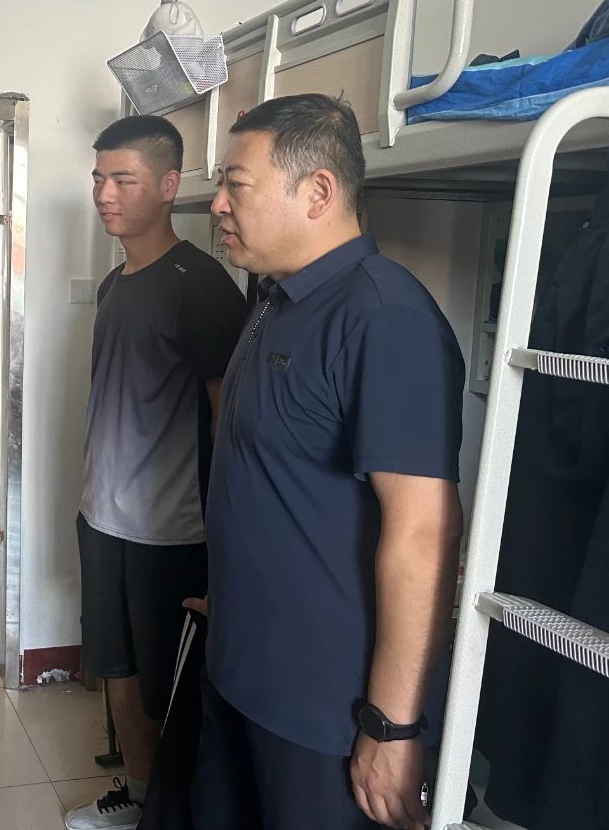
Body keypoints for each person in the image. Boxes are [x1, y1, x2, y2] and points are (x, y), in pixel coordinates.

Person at [194, 94, 465, 830]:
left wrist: (391, 726)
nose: (218, 205)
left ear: (317, 192)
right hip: (240, 670)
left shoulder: (385, 318)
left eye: (236, 185)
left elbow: (424, 532)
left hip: (324, 713)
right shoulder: (274, 299)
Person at [66, 116, 248, 830]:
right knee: (116, 664)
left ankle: (173, 811)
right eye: (98, 179)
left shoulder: (200, 286)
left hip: (169, 530)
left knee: (165, 685)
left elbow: (227, 421)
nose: (104, 194)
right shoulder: (117, 282)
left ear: (169, 185)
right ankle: (139, 801)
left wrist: (228, 544)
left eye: (124, 179)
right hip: (102, 513)